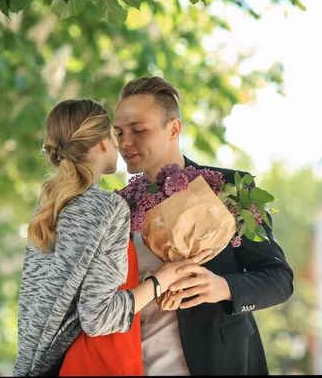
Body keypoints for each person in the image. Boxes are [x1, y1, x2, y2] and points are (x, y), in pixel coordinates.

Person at [11, 99, 214, 377]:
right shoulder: (107, 207)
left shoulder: (49, 206)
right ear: (102, 143)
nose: (120, 143)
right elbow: (98, 317)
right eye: (114, 134)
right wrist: (162, 280)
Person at [113, 76, 295, 375]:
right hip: (136, 364)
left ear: (174, 128)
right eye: (118, 132)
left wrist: (222, 287)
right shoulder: (118, 208)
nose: (125, 142)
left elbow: (280, 280)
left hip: (221, 362)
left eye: (138, 130)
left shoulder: (231, 188)